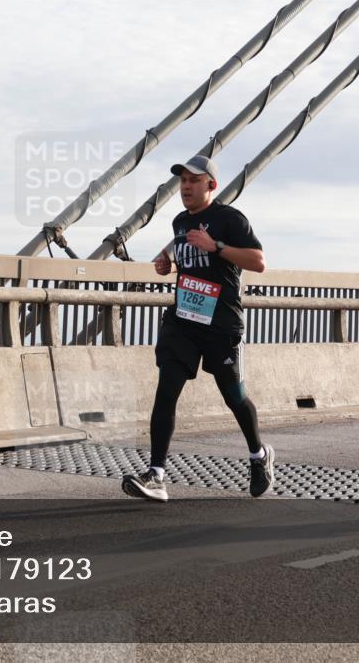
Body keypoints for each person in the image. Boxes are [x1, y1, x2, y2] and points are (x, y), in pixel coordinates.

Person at [122, 155, 273, 503]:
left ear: (211, 185)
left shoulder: (230, 219)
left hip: (221, 324)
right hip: (184, 322)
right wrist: (166, 261)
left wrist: (216, 247)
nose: (186, 187)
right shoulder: (179, 221)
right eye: (183, 181)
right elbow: (183, 250)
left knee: (234, 397)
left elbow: (259, 262)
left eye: (194, 180)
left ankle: (259, 455)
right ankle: (156, 475)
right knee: (166, 391)